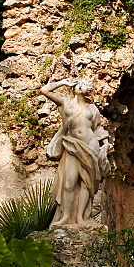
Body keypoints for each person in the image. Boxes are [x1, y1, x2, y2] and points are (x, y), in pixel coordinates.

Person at [40, 77, 110, 226]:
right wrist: (63, 82)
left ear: (88, 91)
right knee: (69, 183)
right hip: (71, 145)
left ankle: (81, 218)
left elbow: (97, 128)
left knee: (86, 183)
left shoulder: (92, 109)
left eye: (84, 84)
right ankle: (66, 216)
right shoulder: (65, 102)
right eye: (79, 83)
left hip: (90, 146)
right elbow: (44, 90)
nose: (80, 86)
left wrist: (105, 143)